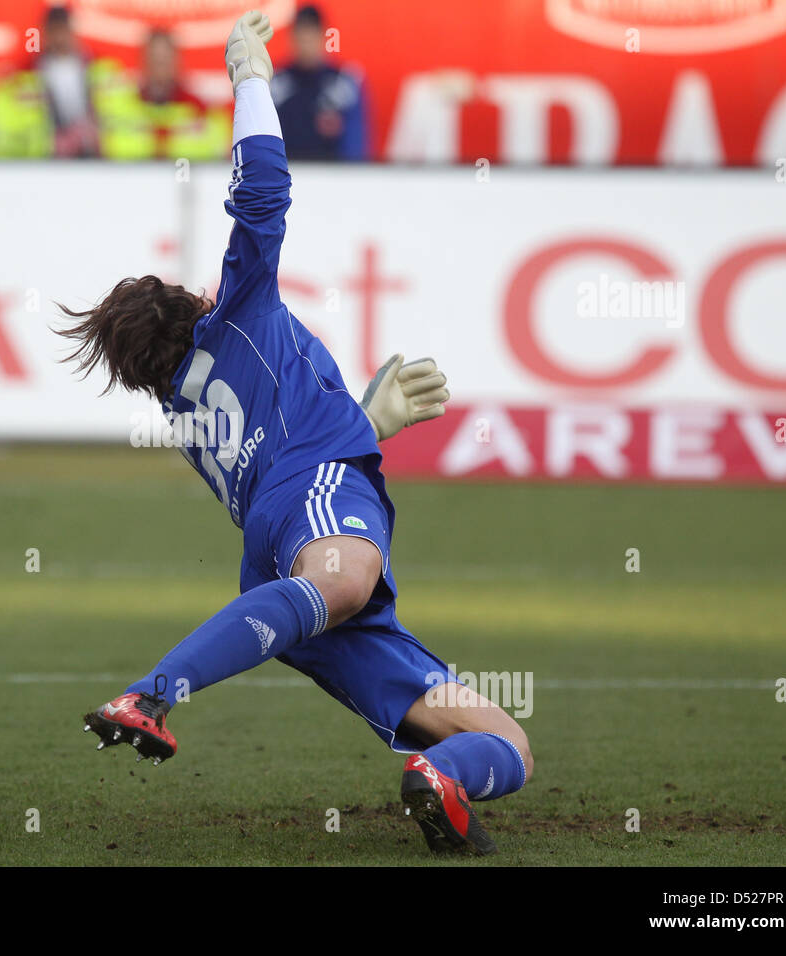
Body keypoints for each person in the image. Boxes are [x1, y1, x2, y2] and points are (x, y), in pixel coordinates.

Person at [61, 11, 530, 856]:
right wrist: (249, 77)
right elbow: (265, 189)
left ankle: (444, 776)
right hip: (315, 511)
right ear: (194, 307)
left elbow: (281, 444)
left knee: (508, 742)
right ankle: (152, 692)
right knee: (344, 581)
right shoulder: (233, 316)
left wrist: (366, 423)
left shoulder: (182, 401)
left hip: (284, 536)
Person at [0, 4, 108, 159]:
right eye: (54, 31)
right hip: (48, 156)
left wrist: (88, 133)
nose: (59, 37)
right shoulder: (29, 71)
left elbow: (104, 108)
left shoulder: (95, 66)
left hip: (91, 153)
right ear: (45, 33)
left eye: (63, 30)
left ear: (72, 31)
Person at [97, 29, 228, 160]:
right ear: (143, 61)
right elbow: (112, 145)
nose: (159, 67)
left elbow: (217, 146)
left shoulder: (198, 108)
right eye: (154, 59)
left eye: (164, 60)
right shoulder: (126, 105)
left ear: (176, 62)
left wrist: (153, 135)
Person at [269, 4, 367, 160]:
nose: (306, 46)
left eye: (311, 38)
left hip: (333, 177)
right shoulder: (275, 83)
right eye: (301, 38)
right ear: (292, 38)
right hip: (283, 175)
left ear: (323, 37)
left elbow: (356, 145)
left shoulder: (343, 84)